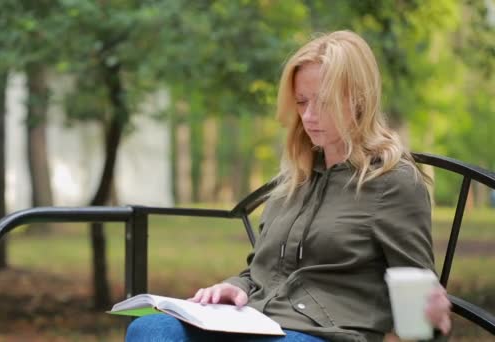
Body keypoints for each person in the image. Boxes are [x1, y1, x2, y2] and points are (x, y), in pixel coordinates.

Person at [125, 30, 452, 342]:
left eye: (322, 102)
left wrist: (421, 324)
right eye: (301, 102)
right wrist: (234, 287)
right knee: (150, 330)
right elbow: (261, 270)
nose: (308, 116)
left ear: (358, 99)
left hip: (326, 333)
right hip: (257, 321)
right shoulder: (293, 179)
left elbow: (420, 297)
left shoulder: (391, 183)